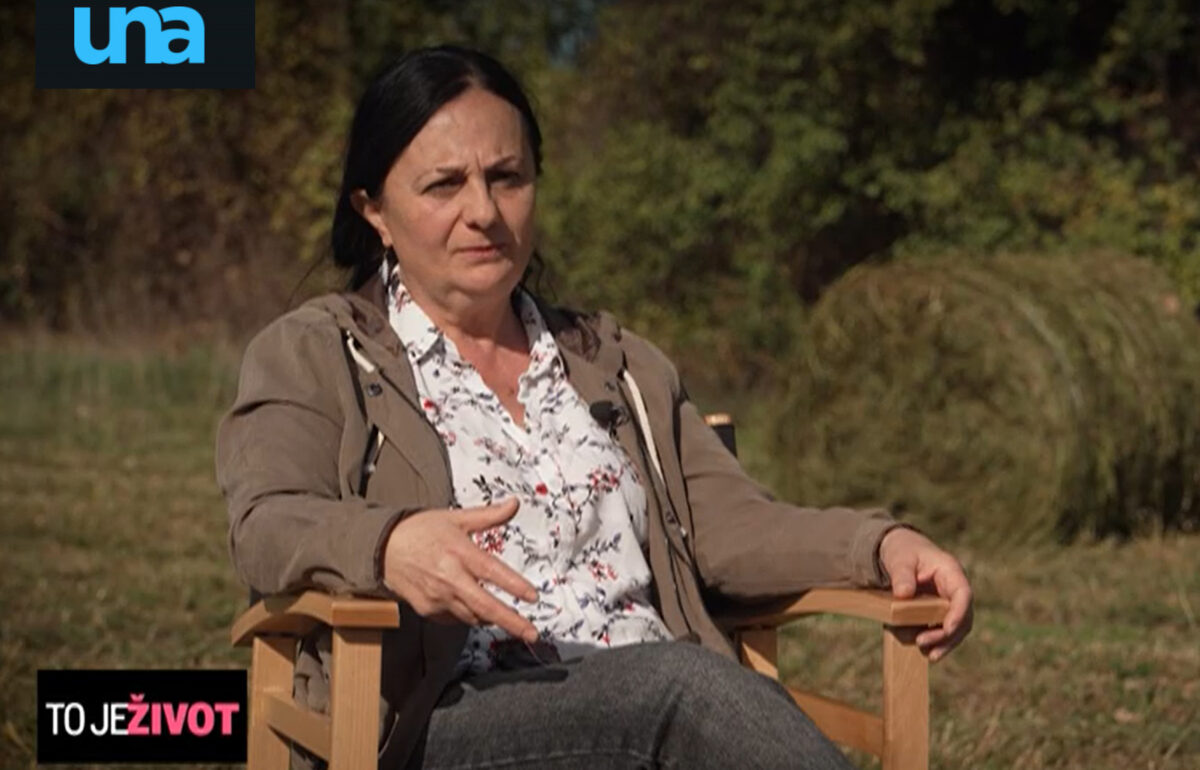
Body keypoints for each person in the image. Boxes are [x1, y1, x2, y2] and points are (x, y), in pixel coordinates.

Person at [216, 45, 973, 770]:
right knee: (684, 690)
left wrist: (879, 545)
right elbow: (266, 523)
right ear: (374, 210)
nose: (483, 211)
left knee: (682, 692)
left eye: (507, 177)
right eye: (443, 185)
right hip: (451, 720)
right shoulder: (317, 352)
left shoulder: (615, 363)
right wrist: (388, 544)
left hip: (658, 700)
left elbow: (731, 524)